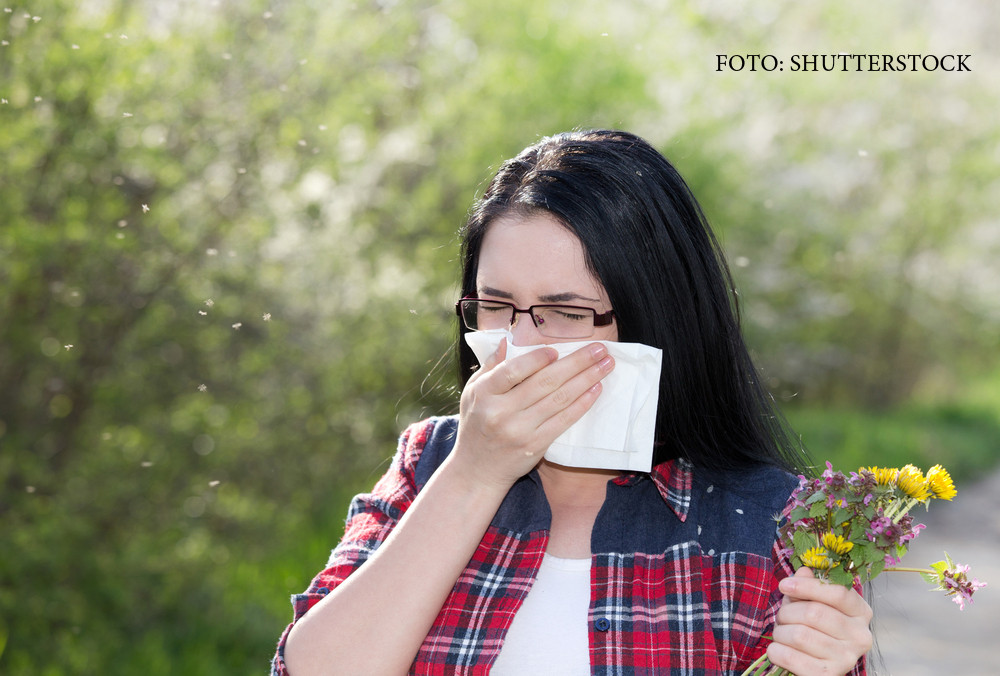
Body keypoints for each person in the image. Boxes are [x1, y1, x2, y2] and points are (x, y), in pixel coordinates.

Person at [271, 129, 872, 675]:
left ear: (656, 319)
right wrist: (475, 474)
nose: (522, 344)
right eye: (497, 305)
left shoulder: (776, 523)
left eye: (564, 313)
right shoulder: (431, 462)